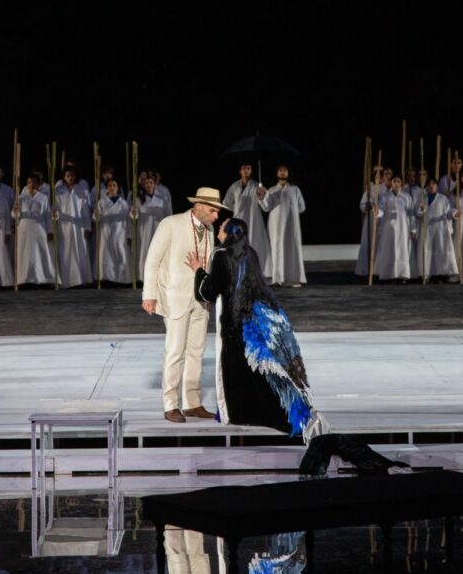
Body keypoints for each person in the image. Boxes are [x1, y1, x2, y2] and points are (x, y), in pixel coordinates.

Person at [186, 218, 324, 439]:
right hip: (253, 322)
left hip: (231, 324)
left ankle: (236, 413)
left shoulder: (221, 255)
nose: (219, 230)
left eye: (222, 228)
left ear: (228, 233)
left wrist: (198, 271)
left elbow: (208, 292)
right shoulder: (251, 253)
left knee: (234, 371)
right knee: (255, 371)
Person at [142, 187, 229, 423]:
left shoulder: (210, 230)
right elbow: (152, 260)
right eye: (212, 210)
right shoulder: (171, 224)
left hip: (201, 300)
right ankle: (170, 404)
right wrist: (149, 294)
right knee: (175, 352)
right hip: (176, 298)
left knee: (196, 352)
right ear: (198, 206)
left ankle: (192, 403)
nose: (216, 216)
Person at [257, 165, 306, 287]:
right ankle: (277, 279)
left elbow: (302, 207)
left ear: (288, 173)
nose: (282, 172)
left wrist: (291, 211)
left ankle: (295, 278)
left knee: (292, 248)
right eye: (280, 170)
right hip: (276, 226)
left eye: (285, 170)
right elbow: (266, 207)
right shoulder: (272, 190)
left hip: (291, 225)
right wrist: (261, 197)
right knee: (277, 248)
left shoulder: (295, 190)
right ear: (277, 173)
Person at [222, 163, 272, 278]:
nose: (246, 171)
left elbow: (266, 207)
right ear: (240, 171)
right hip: (238, 221)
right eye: (244, 168)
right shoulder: (235, 186)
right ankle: (238, 272)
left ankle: (255, 272)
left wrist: (261, 197)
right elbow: (226, 202)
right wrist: (237, 209)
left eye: (248, 168)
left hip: (253, 221)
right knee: (238, 246)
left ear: (251, 171)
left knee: (253, 245)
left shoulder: (256, 186)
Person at [12, 173, 55, 285]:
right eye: (29, 182)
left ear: (38, 184)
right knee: (24, 252)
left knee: (39, 252)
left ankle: (40, 277)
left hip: (39, 227)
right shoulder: (21, 198)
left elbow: (47, 215)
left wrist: (50, 231)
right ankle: (24, 278)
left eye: (34, 182)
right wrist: (16, 211)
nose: (31, 184)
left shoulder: (43, 197)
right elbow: (14, 215)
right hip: (24, 228)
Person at [54, 167, 93, 287]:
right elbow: (56, 208)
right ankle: (66, 280)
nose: (70, 178)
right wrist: (55, 215)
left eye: (71, 175)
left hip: (79, 225)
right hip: (64, 226)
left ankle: (81, 279)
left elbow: (86, 211)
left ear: (75, 176)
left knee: (79, 250)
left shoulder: (82, 190)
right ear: (64, 177)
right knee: (65, 251)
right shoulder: (59, 191)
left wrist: (88, 227)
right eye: (67, 176)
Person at [416, 178, 459, 281]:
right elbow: (418, 213)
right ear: (426, 187)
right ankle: (426, 274)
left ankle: (444, 273)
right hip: (427, 228)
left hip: (440, 228)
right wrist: (421, 209)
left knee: (441, 249)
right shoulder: (423, 199)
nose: (431, 186)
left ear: (437, 186)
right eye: (429, 184)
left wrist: (454, 213)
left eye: (433, 184)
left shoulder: (443, 199)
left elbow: (449, 211)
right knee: (427, 250)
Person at [375, 175, 416, 283]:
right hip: (389, 228)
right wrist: (377, 212)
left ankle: (402, 275)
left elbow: (411, 213)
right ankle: (389, 275)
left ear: (401, 183)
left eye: (398, 181)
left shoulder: (406, 197)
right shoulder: (385, 197)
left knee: (402, 250)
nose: (396, 184)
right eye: (394, 181)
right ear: (391, 183)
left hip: (403, 228)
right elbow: (381, 210)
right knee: (390, 250)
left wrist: (413, 229)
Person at [94, 178, 131, 285]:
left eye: (114, 185)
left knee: (120, 254)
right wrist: (95, 215)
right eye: (110, 185)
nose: (112, 188)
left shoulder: (123, 203)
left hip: (120, 233)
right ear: (107, 188)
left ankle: (120, 278)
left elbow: (129, 219)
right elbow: (96, 219)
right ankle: (106, 278)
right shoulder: (101, 202)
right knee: (106, 255)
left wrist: (129, 234)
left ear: (118, 188)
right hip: (106, 233)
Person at [131, 172, 167, 282]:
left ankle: (158, 277)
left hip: (157, 230)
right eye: (146, 183)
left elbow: (167, 216)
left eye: (151, 182)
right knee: (145, 252)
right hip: (144, 230)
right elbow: (134, 216)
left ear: (154, 184)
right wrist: (134, 212)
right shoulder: (139, 199)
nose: (149, 185)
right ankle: (143, 277)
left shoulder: (161, 200)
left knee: (158, 253)